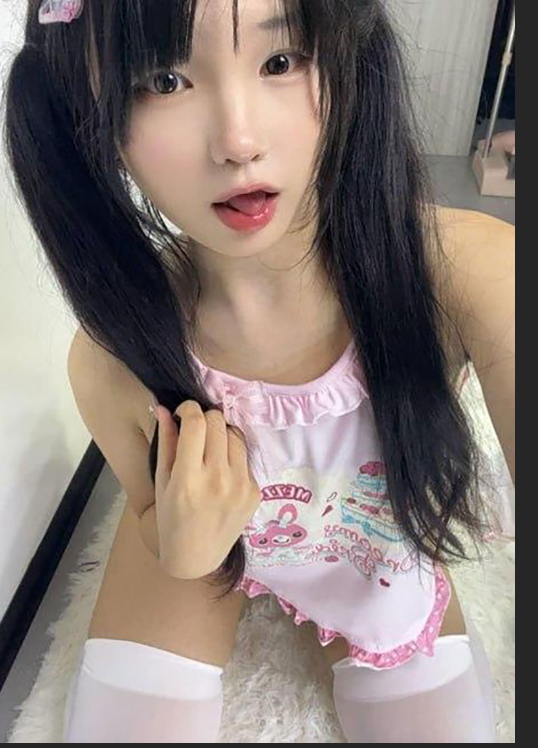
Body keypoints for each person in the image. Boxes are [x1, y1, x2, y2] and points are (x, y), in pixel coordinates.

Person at [4, 0, 515, 742]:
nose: (238, 141)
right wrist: (182, 543)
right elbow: (153, 513)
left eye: (281, 61)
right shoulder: (110, 357)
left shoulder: (463, 270)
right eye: (165, 81)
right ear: (91, 114)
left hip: (370, 548)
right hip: (210, 549)